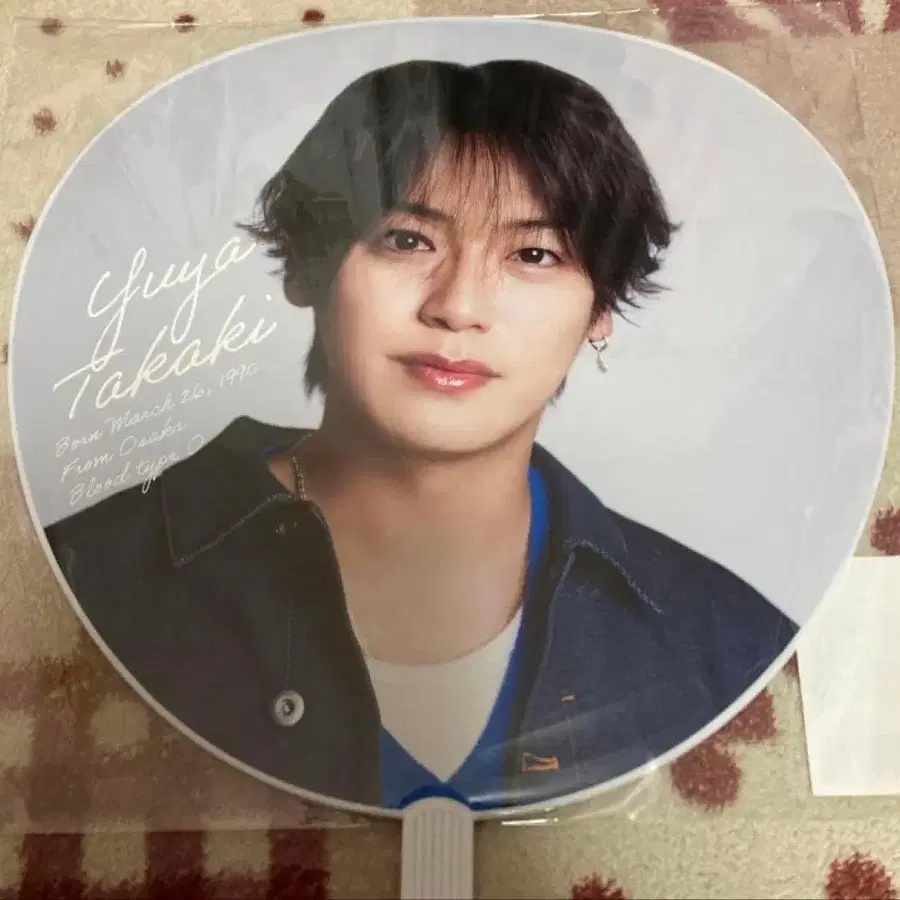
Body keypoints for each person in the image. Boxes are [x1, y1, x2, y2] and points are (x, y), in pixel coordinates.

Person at [45, 58, 798, 812]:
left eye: (534, 255)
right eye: (407, 240)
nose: (458, 306)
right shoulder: (78, 580)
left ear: (600, 309)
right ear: (307, 265)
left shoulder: (729, 640)